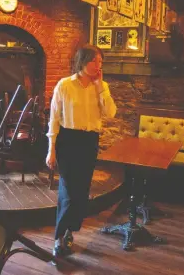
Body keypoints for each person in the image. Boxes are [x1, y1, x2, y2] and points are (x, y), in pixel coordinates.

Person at [46, 44, 117, 257]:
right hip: (68, 140)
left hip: (89, 141)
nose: (98, 66)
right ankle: (58, 238)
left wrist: (100, 88)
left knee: (82, 192)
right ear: (82, 61)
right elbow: (54, 119)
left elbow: (111, 113)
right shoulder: (65, 85)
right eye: (94, 61)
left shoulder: (101, 86)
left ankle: (69, 231)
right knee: (68, 191)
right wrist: (51, 150)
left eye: (100, 63)